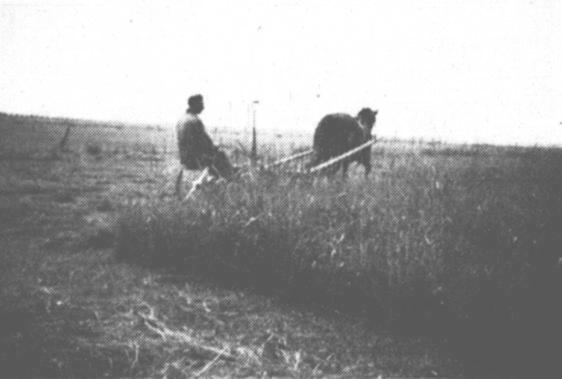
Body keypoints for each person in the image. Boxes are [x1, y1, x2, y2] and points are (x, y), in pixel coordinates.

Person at [175, 94, 236, 195]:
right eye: (201, 104)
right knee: (221, 155)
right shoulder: (195, 121)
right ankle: (230, 183)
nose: (203, 107)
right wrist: (215, 148)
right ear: (194, 105)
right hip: (197, 158)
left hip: (185, 157)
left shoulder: (181, 120)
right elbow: (205, 142)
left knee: (216, 155)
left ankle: (214, 181)